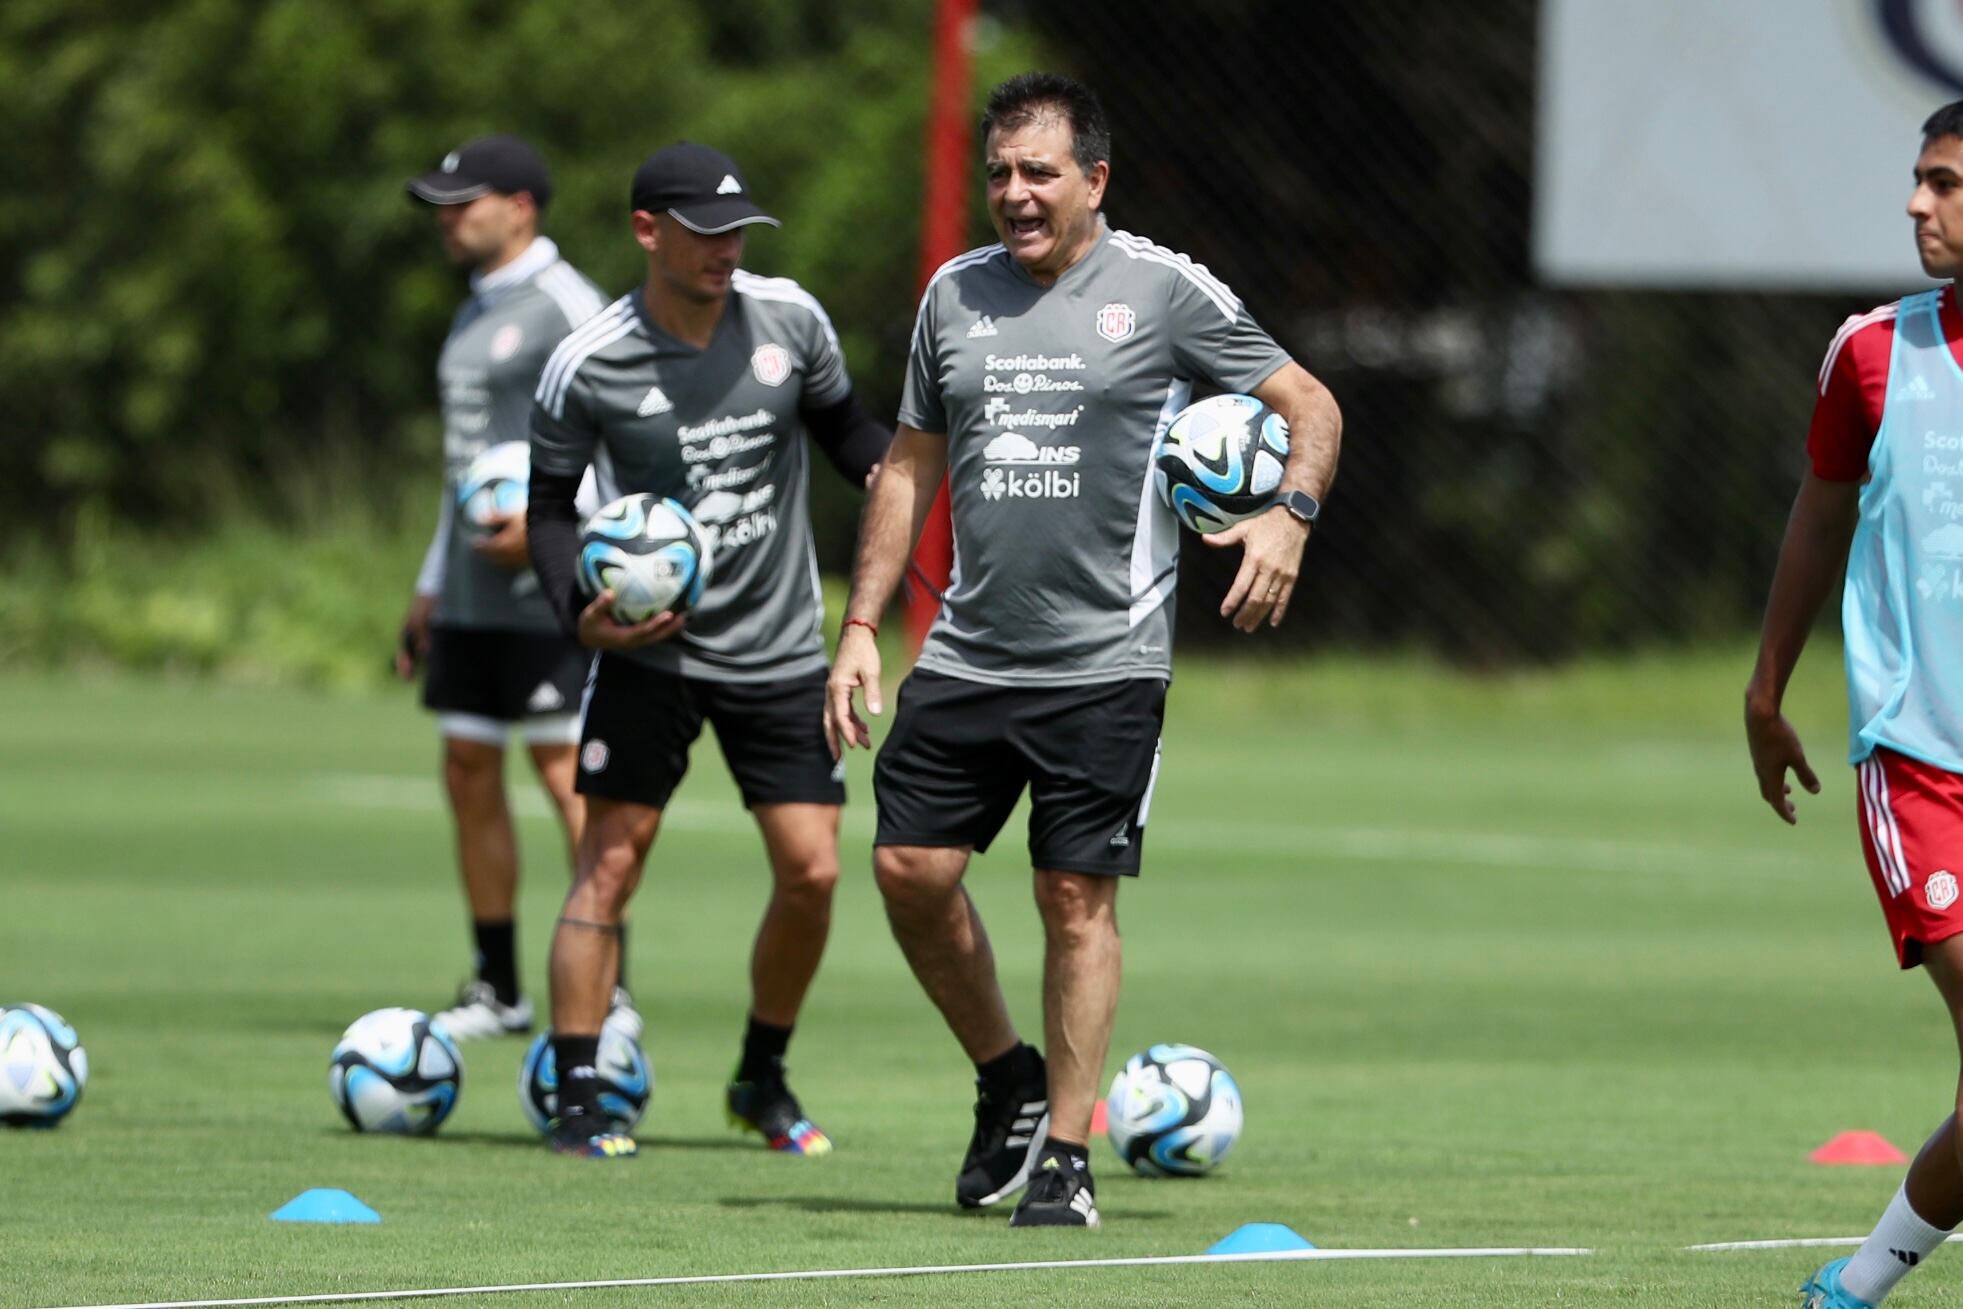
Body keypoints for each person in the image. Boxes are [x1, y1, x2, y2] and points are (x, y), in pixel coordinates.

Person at [823, 72, 1342, 1227]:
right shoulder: (952, 297)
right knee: (909, 871)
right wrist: (859, 626)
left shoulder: (1162, 290)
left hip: (1105, 661)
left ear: (1093, 180)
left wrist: (1288, 516)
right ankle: (1007, 1077)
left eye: (1039, 172)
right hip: (964, 653)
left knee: (1073, 896)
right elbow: (908, 462)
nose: (1014, 194)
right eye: (999, 172)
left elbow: (1310, 402)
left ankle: (1064, 1152)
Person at [526, 141, 890, 1159]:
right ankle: (577, 1092)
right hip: (648, 657)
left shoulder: (791, 321)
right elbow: (549, 507)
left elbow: (847, 435)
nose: (725, 248)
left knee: (814, 871)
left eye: (736, 230)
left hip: (778, 652)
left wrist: (915, 475)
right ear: (649, 231)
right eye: (703, 231)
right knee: (609, 864)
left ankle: (760, 1077)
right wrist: (579, 613)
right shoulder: (589, 359)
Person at [1749, 101, 1963, 1309]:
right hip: (1921, 760)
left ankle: (1854, 1285)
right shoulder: (1872, 352)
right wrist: (1764, 689)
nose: (1912, 203)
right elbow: (1817, 518)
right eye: (1915, 178)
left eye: (1940, 182)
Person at [396, 135, 639, 1043]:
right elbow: (466, 469)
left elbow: (615, 427)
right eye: (443, 206)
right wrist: (430, 582)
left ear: (522, 207)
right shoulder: (471, 311)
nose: (450, 219)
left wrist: (560, 525)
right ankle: (499, 987)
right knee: (466, 769)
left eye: (467, 203)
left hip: (544, 583)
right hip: (466, 591)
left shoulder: (566, 302)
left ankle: (607, 989)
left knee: (564, 775)